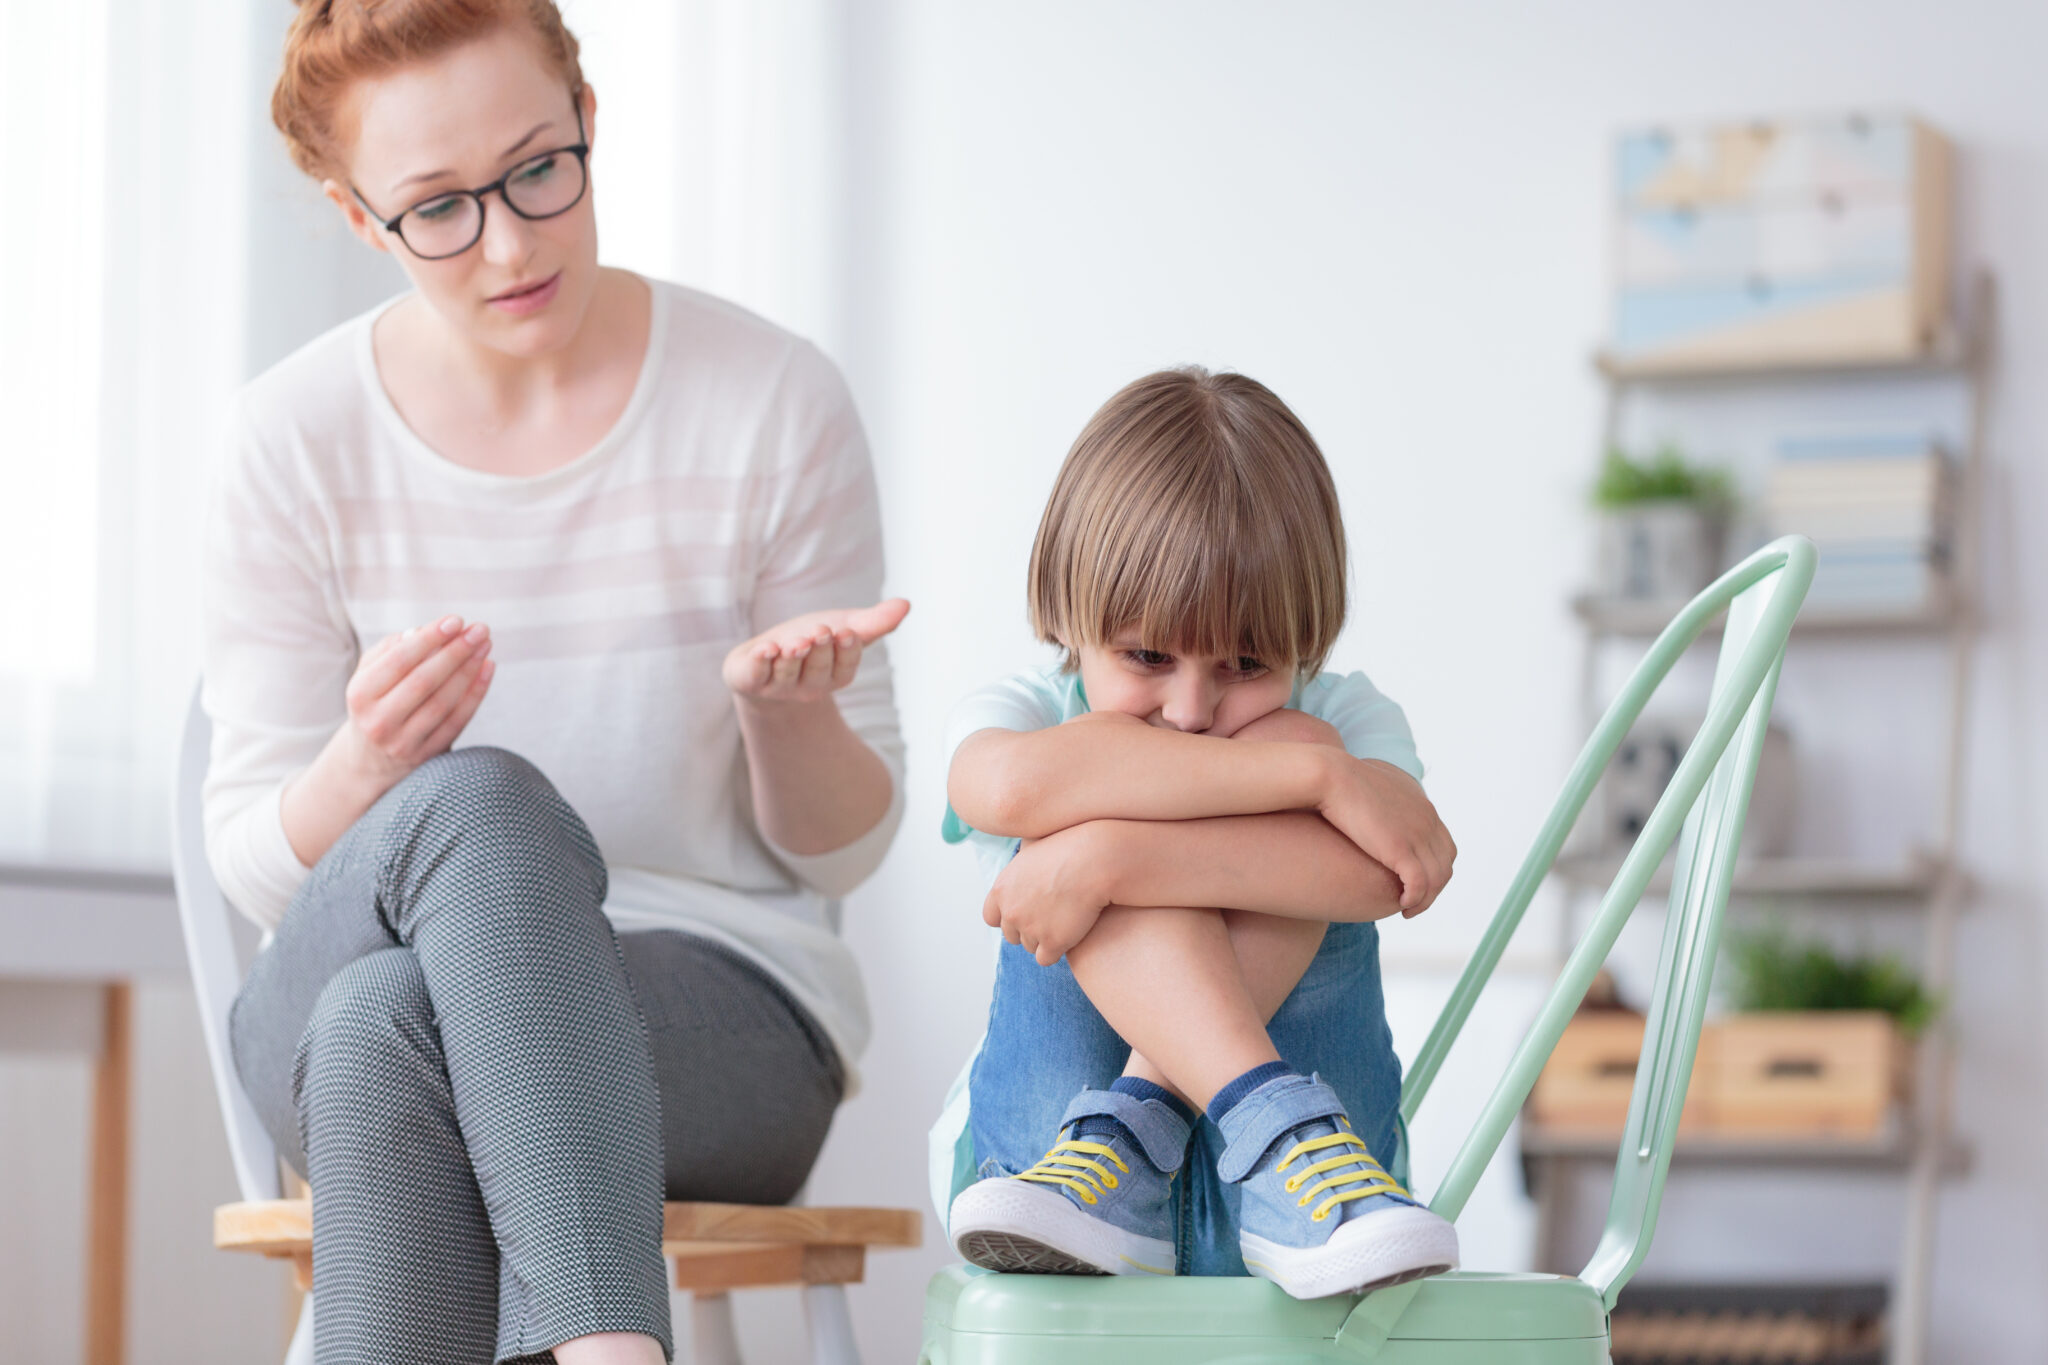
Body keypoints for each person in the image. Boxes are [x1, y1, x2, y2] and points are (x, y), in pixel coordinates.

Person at [203, 4, 903, 1362]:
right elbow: (251, 858)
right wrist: (359, 770)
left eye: (539, 169)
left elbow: (850, 848)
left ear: (588, 111)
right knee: (474, 808)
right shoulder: (288, 442)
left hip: (719, 1015)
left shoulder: (771, 399)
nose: (512, 243)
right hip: (349, 955)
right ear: (361, 221)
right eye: (439, 211)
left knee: (388, 1029)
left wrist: (786, 715)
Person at [934, 368, 1461, 1299]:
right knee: (1098, 777)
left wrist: (1110, 858)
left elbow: (1391, 874)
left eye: (1247, 663)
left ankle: (1153, 1131)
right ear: (1066, 612)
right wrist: (1315, 777)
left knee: (1240, 777)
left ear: (1307, 640)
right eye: (1147, 656)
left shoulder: (1344, 713)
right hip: (1047, 1188)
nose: (1189, 708)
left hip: (1306, 1217)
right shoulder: (1028, 709)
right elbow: (1005, 786)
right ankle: (1272, 1117)